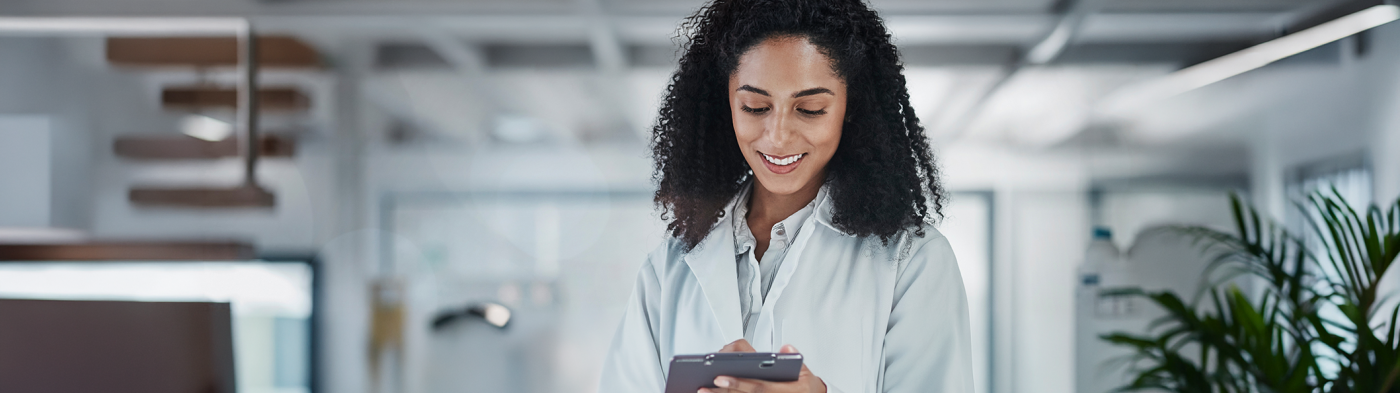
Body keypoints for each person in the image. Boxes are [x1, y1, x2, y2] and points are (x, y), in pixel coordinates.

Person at [598, 0, 974, 391]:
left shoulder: (912, 263)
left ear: (849, 107)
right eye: (755, 106)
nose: (778, 136)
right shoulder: (668, 270)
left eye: (810, 109)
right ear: (724, 101)